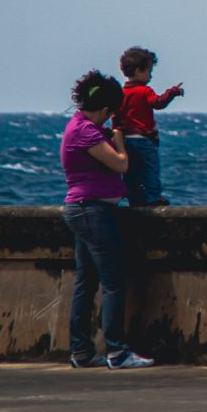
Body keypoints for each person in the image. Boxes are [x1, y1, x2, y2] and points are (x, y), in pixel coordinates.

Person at [60, 70, 154, 370]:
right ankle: (117, 350)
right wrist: (119, 140)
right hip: (92, 211)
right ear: (103, 109)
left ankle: (81, 352)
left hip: (83, 210)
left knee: (86, 282)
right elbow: (119, 163)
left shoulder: (78, 126)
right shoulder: (86, 131)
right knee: (113, 281)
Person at [115, 46, 184, 207]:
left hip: (125, 140)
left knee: (131, 171)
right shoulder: (144, 91)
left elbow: (115, 116)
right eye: (149, 71)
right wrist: (172, 92)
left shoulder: (120, 93)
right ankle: (153, 198)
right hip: (143, 140)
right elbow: (158, 103)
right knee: (150, 169)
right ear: (139, 71)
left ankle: (134, 197)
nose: (150, 76)